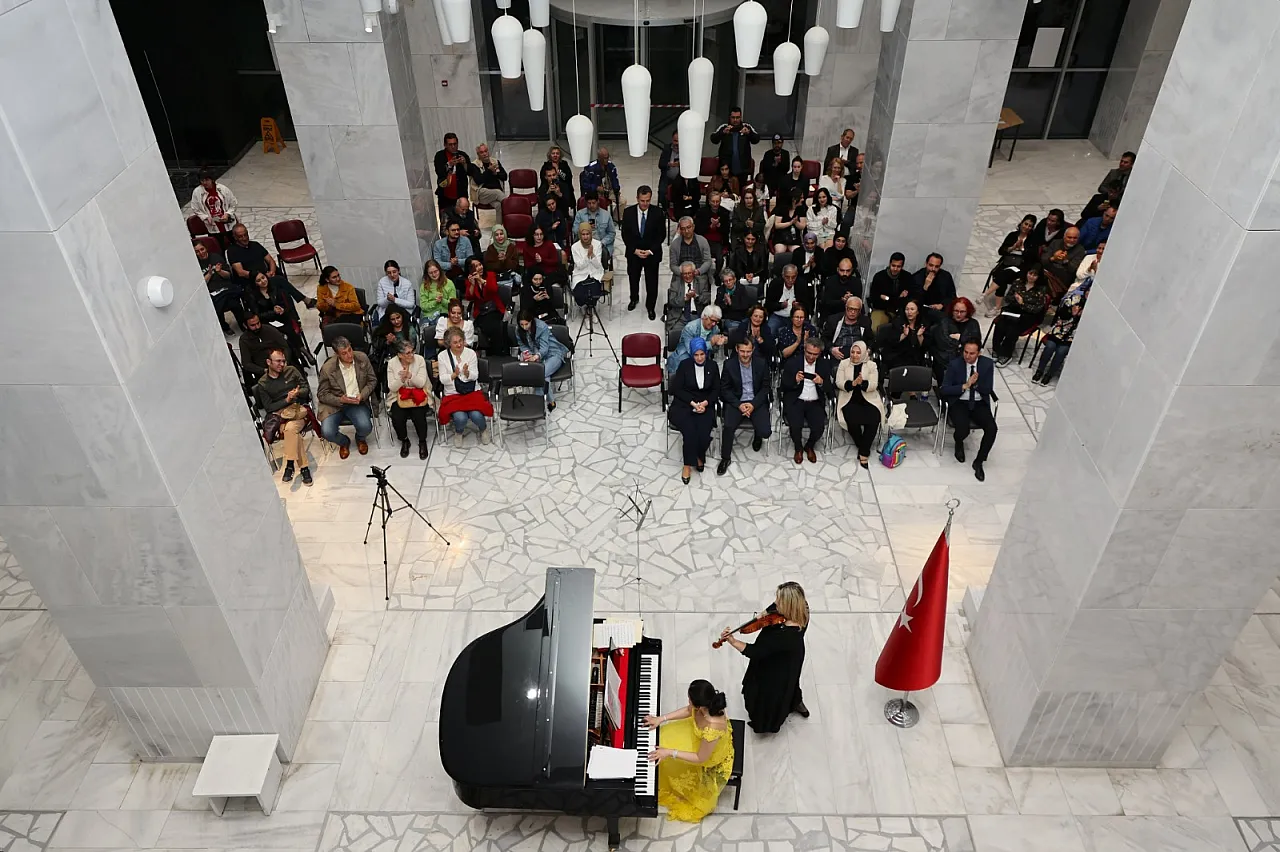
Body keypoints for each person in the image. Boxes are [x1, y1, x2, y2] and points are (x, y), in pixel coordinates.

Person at [717, 582, 809, 731]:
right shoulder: (804, 609)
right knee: (791, 683)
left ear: (788, 605)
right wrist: (763, 614)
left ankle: (766, 721)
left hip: (775, 667)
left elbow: (755, 652)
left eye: (780, 601)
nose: (776, 603)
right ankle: (796, 701)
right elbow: (773, 607)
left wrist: (732, 641)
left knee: (767, 694)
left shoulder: (785, 636)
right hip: (792, 658)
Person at [644, 679, 733, 822]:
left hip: (706, 754)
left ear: (700, 705)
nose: (688, 701)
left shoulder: (713, 727)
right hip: (697, 735)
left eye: (690, 700)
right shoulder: (704, 703)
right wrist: (661, 719)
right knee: (661, 738)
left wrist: (669, 752)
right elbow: (688, 710)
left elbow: (700, 758)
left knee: (666, 759)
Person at [254, 348, 313, 485]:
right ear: (269, 362)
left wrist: (297, 393)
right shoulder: (263, 383)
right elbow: (268, 407)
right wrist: (286, 400)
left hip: (298, 411)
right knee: (291, 430)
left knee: (291, 428)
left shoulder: (291, 371)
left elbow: (306, 389)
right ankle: (304, 468)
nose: (282, 364)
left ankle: (290, 465)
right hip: (281, 417)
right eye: (278, 361)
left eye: (283, 361)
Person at [941, 340, 997, 481]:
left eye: (972, 353)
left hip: (978, 402)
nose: (967, 356)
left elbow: (988, 389)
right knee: (962, 429)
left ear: (979, 353)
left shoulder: (987, 365)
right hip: (960, 401)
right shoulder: (955, 364)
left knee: (992, 429)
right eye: (965, 352)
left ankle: (979, 461)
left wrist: (975, 384)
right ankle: (958, 442)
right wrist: (965, 385)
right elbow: (944, 389)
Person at [667, 337, 720, 483]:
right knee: (689, 431)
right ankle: (687, 464)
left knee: (703, 433)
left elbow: (716, 389)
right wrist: (693, 403)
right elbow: (677, 389)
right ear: (692, 354)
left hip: (705, 403)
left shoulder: (713, 366)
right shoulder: (684, 365)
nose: (699, 358)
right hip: (684, 403)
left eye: (702, 354)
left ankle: (699, 456)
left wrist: (705, 402)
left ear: (706, 353)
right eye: (696, 355)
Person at [717, 336, 771, 474]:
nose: (745, 355)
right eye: (742, 351)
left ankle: (758, 435)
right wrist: (739, 405)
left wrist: (753, 404)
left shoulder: (761, 363)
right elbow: (724, 389)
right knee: (728, 427)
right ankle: (725, 458)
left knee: (765, 432)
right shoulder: (729, 365)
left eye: (748, 351)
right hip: (737, 402)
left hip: (755, 401)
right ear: (737, 349)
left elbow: (766, 388)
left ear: (753, 350)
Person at [317, 338, 377, 458]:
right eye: (344, 353)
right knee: (327, 432)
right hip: (335, 404)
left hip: (357, 402)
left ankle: (360, 438)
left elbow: (372, 380)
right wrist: (340, 400)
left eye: (350, 350)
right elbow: (322, 394)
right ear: (337, 354)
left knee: (366, 427)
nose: (349, 355)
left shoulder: (362, 359)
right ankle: (344, 442)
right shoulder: (328, 368)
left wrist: (362, 395)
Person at [437, 326, 493, 446]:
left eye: (460, 341)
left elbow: (475, 376)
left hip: (471, 392)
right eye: (455, 342)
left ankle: (483, 429)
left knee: (476, 415)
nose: (459, 345)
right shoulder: (442, 356)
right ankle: (459, 432)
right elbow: (442, 379)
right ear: (449, 344)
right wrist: (454, 375)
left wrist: (467, 373)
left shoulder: (471, 353)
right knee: (460, 418)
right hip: (453, 394)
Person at [244, 271, 313, 365]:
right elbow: (257, 315)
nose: (263, 281)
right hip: (266, 321)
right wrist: (273, 312)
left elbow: (285, 304)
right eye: (259, 280)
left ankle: (302, 353)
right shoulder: (252, 295)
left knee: (289, 329)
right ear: (255, 283)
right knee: (283, 337)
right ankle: (300, 355)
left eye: (263, 278)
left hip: (281, 317)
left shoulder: (274, 288)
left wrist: (282, 309)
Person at [782, 337, 832, 464]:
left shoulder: (824, 365)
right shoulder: (792, 363)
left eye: (814, 354)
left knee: (819, 427)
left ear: (819, 353)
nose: (811, 356)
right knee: (795, 425)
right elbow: (783, 386)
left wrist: (821, 383)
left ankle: (809, 446)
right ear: (804, 350)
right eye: (808, 353)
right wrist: (795, 380)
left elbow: (830, 390)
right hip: (796, 400)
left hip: (814, 402)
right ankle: (798, 448)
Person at [990, 265, 1049, 366]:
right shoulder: (1018, 282)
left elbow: (1037, 309)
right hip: (1013, 311)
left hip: (1028, 316)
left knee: (1012, 330)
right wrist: (1016, 299)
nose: (1031, 277)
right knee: (1000, 325)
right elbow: (1008, 298)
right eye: (1030, 273)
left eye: (1035, 275)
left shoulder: (1041, 289)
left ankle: (1006, 355)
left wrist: (1022, 303)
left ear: (1038, 277)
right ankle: (997, 349)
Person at [836, 341, 883, 467]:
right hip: (849, 398)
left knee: (874, 419)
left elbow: (874, 385)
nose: (855, 355)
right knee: (852, 420)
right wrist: (853, 383)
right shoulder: (844, 364)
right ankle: (864, 449)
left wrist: (862, 383)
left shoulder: (872, 365)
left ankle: (863, 450)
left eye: (858, 352)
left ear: (864, 353)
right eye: (852, 352)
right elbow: (839, 382)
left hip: (868, 398)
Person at [515, 306, 570, 410]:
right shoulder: (518, 330)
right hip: (537, 356)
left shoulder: (541, 327)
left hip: (553, 353)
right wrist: (527, 354)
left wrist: (535, 356)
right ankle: (550, 401)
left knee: (539, 373)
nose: (524, 327)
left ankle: (538, 404)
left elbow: (544, 348)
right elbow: (522, 345)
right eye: (522, 324)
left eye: (527, 324)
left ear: (531, 321)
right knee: (543, 376)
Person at [386, 339, 433, 459]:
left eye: (412, 351)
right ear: (400, 355)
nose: (411, 355)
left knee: (419, 415)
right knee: (397, 417)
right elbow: (392, 387)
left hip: (419, 394)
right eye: (408, 353)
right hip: (398, 396)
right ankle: (405, 440)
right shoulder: (392, 363)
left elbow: (421, 383)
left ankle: (422, 441)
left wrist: (410, 376)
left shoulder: (420, 360)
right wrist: (401, 380)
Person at [623, 185, 665, 319]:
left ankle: (650, 306)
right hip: (634, 253)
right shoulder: (628, 212)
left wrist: (650, 250)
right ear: (637, 198)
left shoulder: (658, 213)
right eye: (642, 201)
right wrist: (634, 250)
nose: (645, 203)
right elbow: (625, 234)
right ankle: (634, 298)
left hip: (651, 254)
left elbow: (661, 235)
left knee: (652, 281)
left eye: (647, 200)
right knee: (633, 278)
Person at [983, 214, 1037, 317]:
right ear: (1021, 223)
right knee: (1001, 274)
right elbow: (1001, 251)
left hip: (1021, 266)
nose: (1027, 227)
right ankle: (996, 305)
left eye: (1030, 226)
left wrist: (1021, 249)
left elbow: (1032, 257)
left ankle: (987, 296)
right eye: (1026, 224)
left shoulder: (1032, 240)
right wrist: (1012, 248)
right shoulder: (1012, 235)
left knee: (1005, 274)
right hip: (1007, 262)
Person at [1032, 289, 1086, 386]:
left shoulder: (1092, 308)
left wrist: (1078, 316)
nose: (1089, 293)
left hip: (1071, 337)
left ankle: (1049, 374)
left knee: (1061, 352)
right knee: (1049, 347)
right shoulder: (1075, 298)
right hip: (1058, 330)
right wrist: (1072, 313)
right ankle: (1039, 371)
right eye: (1088, 291)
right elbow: (1061, 313)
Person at [668, 218, 713, 319]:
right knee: (676, 291)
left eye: (688, 228)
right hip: (682, 274)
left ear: (693, 227)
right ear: (680, 229)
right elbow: (673, 265)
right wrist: (683, 272)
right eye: (683, 229)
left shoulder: (702, 241)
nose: (686, 231)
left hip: (698, 273)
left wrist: (699, 271)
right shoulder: (675, 244)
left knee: (702, 294)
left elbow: (708, 261)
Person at [195, 241, 242, 333]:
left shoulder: (216, 257)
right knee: (218, 306)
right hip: (212, 292)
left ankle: (242, 324)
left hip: (225, 288)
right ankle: (224, 327)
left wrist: (220, 271)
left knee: (234, 304)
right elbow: (200, 285)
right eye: (197, 251)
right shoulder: (195, 264)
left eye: (202, 249)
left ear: (206, 248)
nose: (201, 253)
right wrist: (209, 274)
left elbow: (228, 275)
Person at [931, 297, 981, 382]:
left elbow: (976, 344)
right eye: (956, 311)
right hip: (945, 360)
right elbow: (943, 343)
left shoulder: (973, 324)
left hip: (966, 359)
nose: (958, 314)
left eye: (962, 312)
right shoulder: (945, 321)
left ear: (967, 311)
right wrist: (962, 343)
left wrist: (960, 338)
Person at [463, 258, 507, 352]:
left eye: (480, 264)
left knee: (494, 324)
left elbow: (493, 290)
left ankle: (496, 351)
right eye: (476, 266)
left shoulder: (490, 275)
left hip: (495, 308)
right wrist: (472, 284)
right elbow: (469, 297)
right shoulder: (469, 279)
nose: (479, 267)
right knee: (488, 325)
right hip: (481, 311)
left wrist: (481, 280)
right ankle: (496, 349)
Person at [667, 305, 728, 374]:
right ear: (704, 316)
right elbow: (691, 350)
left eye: (717, 322)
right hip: (684, 358)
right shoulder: (690, 328)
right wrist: (711, 343)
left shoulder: (715, 329)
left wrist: (718, 343)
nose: (714, 324)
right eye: (712, 320)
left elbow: (712, 351)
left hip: (702, 360)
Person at [190, 169, 239, 247]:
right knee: (218, 247)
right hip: (212, 225)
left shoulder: (223, 189)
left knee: (236, 244)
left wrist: (227, 214)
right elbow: (195, 208)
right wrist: (205, 217)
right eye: (202, 180)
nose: (204, 182)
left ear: (212, 179)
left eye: (207, 180)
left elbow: (233, 203)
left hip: (227, 222)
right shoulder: (197, 192)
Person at [710, 107, 759, 184]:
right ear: (729, 117)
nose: (735, 120)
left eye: (737, 117)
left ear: (741, 117)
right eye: (733, 117)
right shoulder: (724, 127)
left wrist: (749, 133)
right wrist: (722, 133)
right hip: (726, 169)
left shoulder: (746, 126)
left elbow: (756, 140)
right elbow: (713, 139)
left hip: (742, 169)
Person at [764, 264, 815, 336]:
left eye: (793, 277)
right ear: (783, 275)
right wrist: (780, 305)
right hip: (778, 316)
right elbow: (768, 305)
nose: (790, 280)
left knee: (805, 334)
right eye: (787, 277)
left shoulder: (802, 284)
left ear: (796, 275)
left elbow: (809, 305)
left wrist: (799, 307)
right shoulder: (775, 284)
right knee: (769, 331)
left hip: (796, 317)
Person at [240, 314, 291, 383]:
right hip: (263, 370)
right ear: (245, 326)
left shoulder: (269, 329)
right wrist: (264, 370)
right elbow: (246, 363)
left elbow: (285, 346)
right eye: (253, 325)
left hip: (281, 362)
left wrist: (285, 362)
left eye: (258, 323)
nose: (257, 327)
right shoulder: (244, 340)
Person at [1040, 226, 1085, 300]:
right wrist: (1053, 258)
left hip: (1062, 276)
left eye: (1075, 238)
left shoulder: (1080, 250)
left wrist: (1065, 260)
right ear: (1064, 237)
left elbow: (1072, 269)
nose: (1072, 240)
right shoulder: (1055, 243)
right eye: (1069, 237)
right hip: (1048, 271)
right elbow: (1043, 259)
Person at [883, 299, 929, 370]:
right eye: (907, 309)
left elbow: (926, 347)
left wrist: (919, 336)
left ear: (918, 312)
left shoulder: (923, 325)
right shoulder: (897, 322)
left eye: (912, 309)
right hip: (899, 357)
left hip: (916, 360)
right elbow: (891, 343)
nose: (909, 312)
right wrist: (904, 335)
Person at [868, 252, 910, 329]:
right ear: (889, 264)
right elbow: (874, 298)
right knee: (876, 329)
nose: (895, 269)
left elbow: (907, 298)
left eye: (898, 266)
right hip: (882, 310)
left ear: (902, 266)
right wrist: (898, 298)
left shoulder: (907, 277)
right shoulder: (879, 277)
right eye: (893, 265)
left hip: (901, 311)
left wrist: (887, 298)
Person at [419, 259, 458, 340]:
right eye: (431, 273)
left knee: (443, 329)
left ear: (439, 270)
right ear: (427, 274)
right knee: (428, 334)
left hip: (445, 314)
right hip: (429, 316)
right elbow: (423, 306)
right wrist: (435, 302)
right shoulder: (424, 286)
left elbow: (453, 305)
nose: (434, 274)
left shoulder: (448, 283)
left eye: (436, 271)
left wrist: (442, 301)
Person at [824, 295, 872, 361]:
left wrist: (868, 350)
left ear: (860, 311)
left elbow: (871, 340)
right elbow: (824, 339)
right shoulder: (833, 320)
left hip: (858, 354)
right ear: (846, 308)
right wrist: (832, 349)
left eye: (856, 310)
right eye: (850, 309)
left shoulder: (865, 321)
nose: (852, 312)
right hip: (839, 353)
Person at [580, 146, 623, 219]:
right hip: (596, 192)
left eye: (607, 157)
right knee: (601, 202)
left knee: (623, 201)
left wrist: (616, 189)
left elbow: (615, 179)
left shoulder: (611, 166)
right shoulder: (591, 167)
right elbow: (585, 184)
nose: (607, 160)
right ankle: (600, 219)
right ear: (599, 158)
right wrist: (596, 187)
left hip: (609, 191)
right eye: (605, 158)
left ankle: (615, 219)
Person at [817, 258, 863, 325]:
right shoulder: (830, 281)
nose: (845, 274)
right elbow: (827, 303)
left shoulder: (856, 282)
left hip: (851, 315)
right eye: (842, 270)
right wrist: (843, 301)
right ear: (837, 269)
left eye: (848, 271)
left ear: (852, 270)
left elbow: (858, 302)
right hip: (832, 314)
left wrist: (851, 300)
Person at [433, 132, 471, 214]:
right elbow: (439, 172)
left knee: (463, 217)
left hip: (461, 194)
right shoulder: (439, 156)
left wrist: (464, 164)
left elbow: (470, 172)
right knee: (445, 218)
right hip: (445, 194)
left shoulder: (463, 155)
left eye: (455, 144)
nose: (453, 147)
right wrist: (449, 164)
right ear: (445, 145)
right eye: (450, 144)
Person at [469, 142, 508, 219]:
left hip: (493, 193)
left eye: (486, 151)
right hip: (482, 194)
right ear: (478, 154)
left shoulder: (495, 162)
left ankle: (499, 228)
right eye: (482, 152)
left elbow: (505, 177)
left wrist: (495, 173)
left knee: (498, 205)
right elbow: (479, 180)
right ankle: (512, 208)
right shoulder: (474, 165)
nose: (485, 154)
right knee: (498, 193)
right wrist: (489, 171)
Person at [911, 252, 957, 318]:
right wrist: (925, 287)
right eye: (931, 265)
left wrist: (942, 305)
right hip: (923, 311)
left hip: (941, 311)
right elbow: (915, 300)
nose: (933, 269)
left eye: (936, 266)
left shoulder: (946, 276)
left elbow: (952, 296)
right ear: (926, 264)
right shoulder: (917, 277)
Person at [572, 194, 616, 263]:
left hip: (601, 243)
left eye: (593, 203)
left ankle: (601, 270)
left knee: (603, 253)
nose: (591, 205)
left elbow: (612, 233)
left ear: (598, 202)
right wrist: (585, 227)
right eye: (589, 203)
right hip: (583, 243)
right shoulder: (580, 214)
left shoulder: (606, 214)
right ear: (586, 203)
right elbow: (574, 230)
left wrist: (602, 243)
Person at [695, 190, 730, 272]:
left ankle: (717, 274)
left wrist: (719, 226)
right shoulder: (702, 212)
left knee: (720, 257)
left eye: (717, 201)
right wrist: (710, 226)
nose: (715, 204)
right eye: (713, 201)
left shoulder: (725, 213)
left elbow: (727, 230)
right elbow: (698, 230)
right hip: (704, 240)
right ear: (709, 202)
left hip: (719, 241)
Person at [433, 221, 475, 285]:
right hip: (446, 276)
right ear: (447, 232)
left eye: (458, 229)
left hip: (463, 274)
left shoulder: (465, 240)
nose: (457, 232)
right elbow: (437, 262)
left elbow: (471, 259)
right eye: (453, 230)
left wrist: (458, 261)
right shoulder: (438, 244)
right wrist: (451, 264)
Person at [570, 221, 605, 298]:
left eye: (587, 234)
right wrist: (587, 256)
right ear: (580, 235)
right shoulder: (574, 247)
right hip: (580, 275)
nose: (585, 237)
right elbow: (579, 266)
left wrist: (592, 255)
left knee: (595, 293)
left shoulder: (597, 244)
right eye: (583, 234)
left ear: (591, 234)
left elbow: (597, 265)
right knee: (580, 296)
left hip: (595, 274)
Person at [769, 189, 806, 258]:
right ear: (794, 199)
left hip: (794, 237)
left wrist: (796, 222)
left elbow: (802, 226)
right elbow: (777, 225)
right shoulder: (781, 208)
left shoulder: (801, 209)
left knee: (797, 252)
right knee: (780, 252)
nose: (803, 199)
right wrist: (790, 223)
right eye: (801, 198)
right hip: (781, 236)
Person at [713, 268, 750, 333]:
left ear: (734, 279)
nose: (728, 282)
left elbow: (745, 306)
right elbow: (717, 305)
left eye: (730, 280)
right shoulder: (720, 290)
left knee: (735, 329)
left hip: (739, 318)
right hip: (725, 318)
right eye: (725, 281)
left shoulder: (741, 289)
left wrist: (731, 303)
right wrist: (725, 303)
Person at [658, 130, 680, 206]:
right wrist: (669, 164)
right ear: (672, 140)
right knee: (662, 192)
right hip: (667, 178)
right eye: (675, 141)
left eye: (679, 141)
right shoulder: (667, 149)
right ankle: (665, 210)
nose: (677, 143)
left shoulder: (687, 150)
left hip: (680, 178)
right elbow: (660, 164)